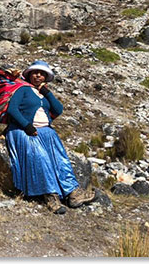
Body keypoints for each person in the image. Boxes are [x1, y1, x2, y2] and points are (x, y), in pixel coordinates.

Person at [5, 60, 95, 214]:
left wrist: (46, 92)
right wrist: (26, 125)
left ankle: (72, 193)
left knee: (61, 159)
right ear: (29, 74)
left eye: (42, 73)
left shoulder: (44, 93)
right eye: (35, 73)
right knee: (41, 159)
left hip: (46, 132)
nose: (38, 75)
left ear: (46, 77)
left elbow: (58, 109)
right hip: (24, 131)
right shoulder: (22, 90)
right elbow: (12, 109)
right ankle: (50, 196)